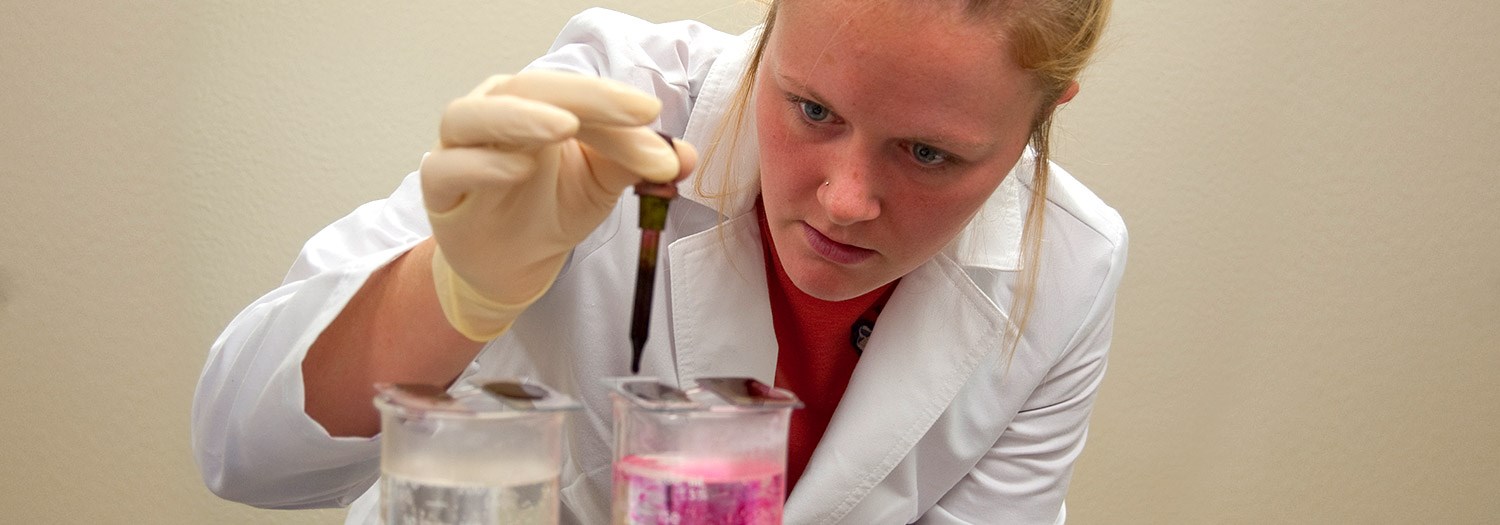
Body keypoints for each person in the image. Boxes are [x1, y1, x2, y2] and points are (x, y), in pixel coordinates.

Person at [192, 0, 1125, 523]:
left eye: (928, 154)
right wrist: (451, 288)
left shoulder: (1069, 269)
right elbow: (246, 449)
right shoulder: (614, 106)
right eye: (810, 109)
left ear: (1051, 109)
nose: (845, 199)